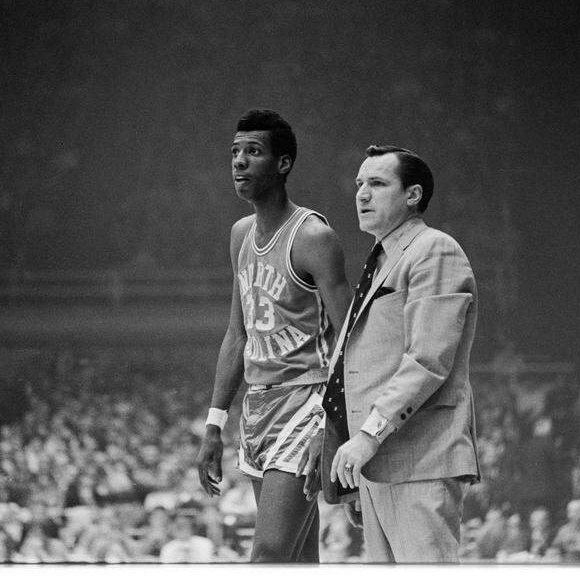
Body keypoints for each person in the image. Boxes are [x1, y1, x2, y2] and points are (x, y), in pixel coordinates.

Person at [196, 108, 352, 562]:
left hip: (307, 402)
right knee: (299, 560)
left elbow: (350, 337)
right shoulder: (240, 235)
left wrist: (335, 424)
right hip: (258, 406)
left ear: (283, 164)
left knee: (266, 556)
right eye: (235, 152)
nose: (239, 161)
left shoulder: (314, 238)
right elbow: (235, 335)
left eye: (254, 152)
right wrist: (213, 425)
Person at [322, 145, 481, 563]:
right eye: (359, 184)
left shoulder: (435, 249)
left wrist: (367, 437)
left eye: (377, 183)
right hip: (378, 464)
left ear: (412, 195)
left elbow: (428, 360)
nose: (362, 194)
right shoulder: (382, 259)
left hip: (419, 459)